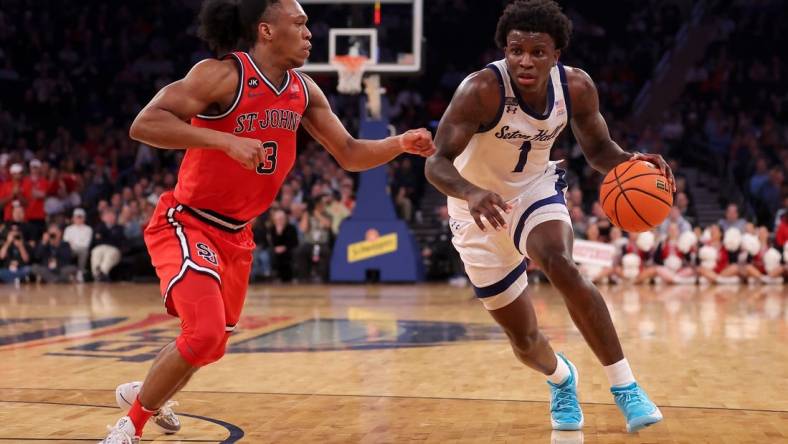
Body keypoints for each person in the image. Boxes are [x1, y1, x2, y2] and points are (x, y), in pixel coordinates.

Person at [99, 0, 434, 442]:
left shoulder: (305, 91)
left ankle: (147, 393)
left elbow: (350, 153)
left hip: (238, 235)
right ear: (266, 31)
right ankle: (128, 428)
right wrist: (223, 140)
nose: (310, 33)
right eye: (300, 23)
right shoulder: (221, 75)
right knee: (202, 334)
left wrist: (399, 143)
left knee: (211, 344)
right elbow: (145, 124)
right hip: (189, 221)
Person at [424, 0, 669, 433]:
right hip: (474, 207)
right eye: (516, 49)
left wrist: (632, 163)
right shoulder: (481, 90)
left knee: (561, 263)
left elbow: (597, 150)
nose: (525, 60)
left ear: (557, 54)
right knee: (523, 339)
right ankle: (561, 377)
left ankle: (626, 387)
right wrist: (469, 191)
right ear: (505, 49)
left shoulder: (576, 87)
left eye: (538, 51)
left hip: (534, 191)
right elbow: (436, 162)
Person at [90, 209, 126, 282]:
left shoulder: (120, 228)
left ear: (115, 217)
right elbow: (97, 240)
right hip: (100, 247)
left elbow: (119, 240)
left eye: (112, 216)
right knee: (95, 252)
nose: (110, 217)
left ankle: (102, 273)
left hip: (114, 249)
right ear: (103, 218)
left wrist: (104, 237)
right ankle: (96, 275)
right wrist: (110, 237)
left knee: (109, 255)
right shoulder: (98, 227)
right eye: (108, 216)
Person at [63, 208, 93, 282]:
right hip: (70, 250)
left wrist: (73, 244)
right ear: (73, 218)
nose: (78, 219)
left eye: (80, 217)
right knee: (64, 250)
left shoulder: (88, 229)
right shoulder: (68, 229)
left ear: (84, 218)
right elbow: (66, 242)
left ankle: (80, 272)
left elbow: (86, 244)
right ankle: (65, 272)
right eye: (77, 217)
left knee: (83, 251)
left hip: (81, 249)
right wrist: (73, 245)